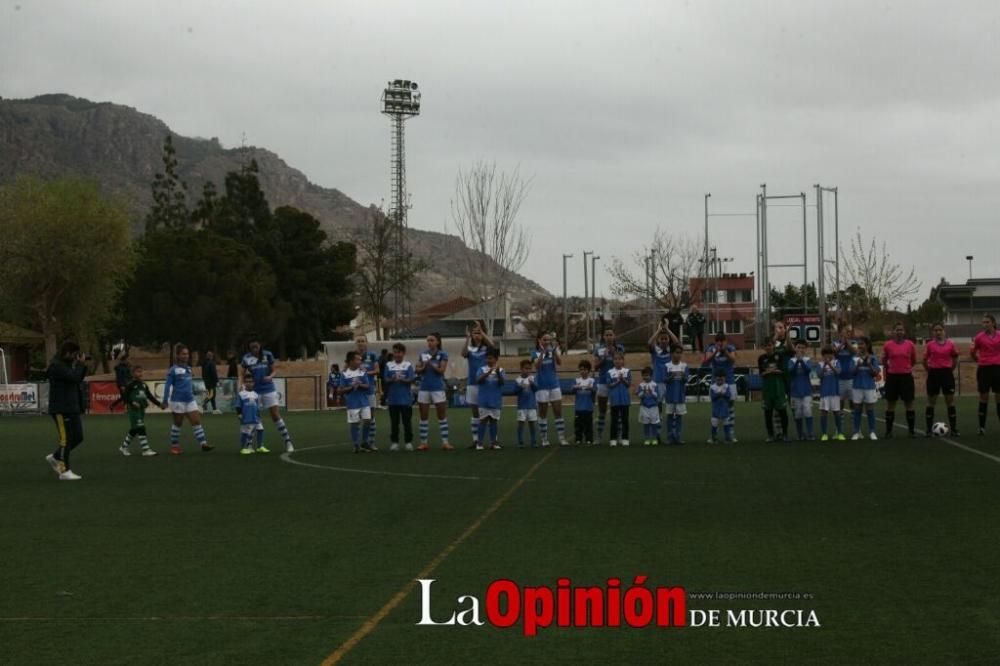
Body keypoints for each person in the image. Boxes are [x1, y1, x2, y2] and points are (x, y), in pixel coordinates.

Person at [44, 341, 90, 480]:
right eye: (74, 354)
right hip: (61, 408)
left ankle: (56, 456)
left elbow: (77, 379)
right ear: (67, 352)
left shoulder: (67, 365)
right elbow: (73, 377)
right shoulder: (57, 366)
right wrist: (80, 365)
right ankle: (64, 471)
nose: (76, 357)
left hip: (71, 407)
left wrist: (82, 366)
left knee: (78, 437)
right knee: (66, 439)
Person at [243, 339, 295, 453]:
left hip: (268, 389)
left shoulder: (267, 354)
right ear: (249, 347)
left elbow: (274, 370)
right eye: (252, 347)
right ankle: (249, 445)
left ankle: (288, 441)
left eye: (256, 347)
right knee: (254, 417)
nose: (254, 349)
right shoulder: (246, 358)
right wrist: (243, 386)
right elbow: (244, 373)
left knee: (275, 415)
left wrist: (270, 376)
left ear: (259, 346)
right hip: (254, 391)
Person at [162, 343, 214, 455]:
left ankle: (204, 444)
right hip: (177, 401)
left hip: (190, 400)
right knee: (178, 424)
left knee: (196, 421)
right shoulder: (173, 370)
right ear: (178, 355)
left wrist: (200, 391)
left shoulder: (189, 369)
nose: (186, 356)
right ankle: (174, 446)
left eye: (187, 354)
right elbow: (167, 386)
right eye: (183, 354)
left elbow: (189, 384)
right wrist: (165, 400)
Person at [462, 322, 496, 449]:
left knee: (490, 413)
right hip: (472, 383)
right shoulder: (470, 349)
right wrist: (466, 338)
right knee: (475, 413)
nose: (477, 335)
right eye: (475, 332)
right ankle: (476, 440)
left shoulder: (486, 348)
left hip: (486, 383)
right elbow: (463, 354)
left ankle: (494, 440)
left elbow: (492, 345)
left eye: (479, 332)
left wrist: (482, 332)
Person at [416, 333, 452, 451]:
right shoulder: (423, 354)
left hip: (437, 388)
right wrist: (423, 367)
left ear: (437, 342)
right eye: (428, 340)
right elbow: (417, 369)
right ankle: (423, 443)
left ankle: (445, 442)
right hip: (424, 388)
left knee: (441, 415)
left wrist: (431, 364)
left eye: (432, 340)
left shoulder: (443, 354)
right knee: (423, 416)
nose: (429, 342)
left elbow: (442, 370)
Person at [882, 322, 917, 438]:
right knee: (890, 404)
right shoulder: (887, 345)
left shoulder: (910, 345)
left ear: (904, 331)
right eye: (897, 330)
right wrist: (891, 370)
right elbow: (884, 360)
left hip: (906, 377)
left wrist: (905, 368)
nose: (899, 332)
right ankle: (888, 432)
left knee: (909, 403)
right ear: (893, 332)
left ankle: (911, 431)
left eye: (901, 330)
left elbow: (913, 360)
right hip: (892, 377)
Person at [923, 322, 959, 437]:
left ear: (944, 331)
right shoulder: (930, 345)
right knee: (931, 402)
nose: (938, 332)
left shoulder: (951, 344)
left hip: (947, 374)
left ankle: (953, 429)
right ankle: (928, 430)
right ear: (933, 332)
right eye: (935, 330)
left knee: (950, 402)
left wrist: (949, 369)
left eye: (940, 330)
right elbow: (925, 360)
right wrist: (930, 370)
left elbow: (954, 358)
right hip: (934, 374)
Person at [119, 364, 163, 457]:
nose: (140, 373)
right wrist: (132, 402)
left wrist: (159, 404)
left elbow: (150, 396)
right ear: (133, 373)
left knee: (135, 429)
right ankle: (146, 449)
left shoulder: (143, 384)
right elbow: (125, 397)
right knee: (141, 427)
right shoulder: (130, 384)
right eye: (138, 371)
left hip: (141, 409)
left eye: (141, 371)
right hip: (133, 409)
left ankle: (124, 447)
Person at [533, 332, 568, 446]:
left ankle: (561, 438)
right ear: (539, 340)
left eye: (549, 340)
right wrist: (543, 352)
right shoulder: (535, 352)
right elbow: (537, 366)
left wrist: (554, 352)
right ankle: (544, 439)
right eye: (545, 340)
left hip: (554, 385)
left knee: (558, 412)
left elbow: (559, 362)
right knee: (543, 413)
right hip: (541, 385)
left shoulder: (553, 351)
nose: (547, 342)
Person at [704, 332, 738, 437]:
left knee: (730, 406)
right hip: (716, 382)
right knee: (716, 406)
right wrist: (716, 352)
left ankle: (730, 433)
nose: (720, 343)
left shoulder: (731, 348)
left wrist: (724, 351)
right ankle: (715, 434)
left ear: (725, 341)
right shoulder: (711, 349)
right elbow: (706, 361)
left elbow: (733, 360)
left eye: (722, 341)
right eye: (718, 341)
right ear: (715, 342)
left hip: (729, 381)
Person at [593, 328, 625, 443]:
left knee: (617, 409)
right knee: (602, 410)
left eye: (611, 334)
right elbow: (595, 367)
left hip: (616, 381)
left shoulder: (620, 348)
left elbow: (623, 364)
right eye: (607, 335)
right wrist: (604, 358)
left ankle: (620, 436)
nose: (609, 337)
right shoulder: (599, 349)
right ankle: (599, 436)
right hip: (603, 382)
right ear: (604, 337)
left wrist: (614, 356)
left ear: (614, 336)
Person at [971, 314, 1000, 436]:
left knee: (999, 398)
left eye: (987, 322)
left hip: (998, 369)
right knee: (984, 397)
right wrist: (980, 361)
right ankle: (982, 427)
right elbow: (973, 352)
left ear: (993, 323)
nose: (985, 324)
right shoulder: (979, 337)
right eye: (983, 322)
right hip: (984, 369)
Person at [340, 351, 373, 453]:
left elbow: (368, 386)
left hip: (364, 402)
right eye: (357, 359)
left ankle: (364, 442)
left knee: (367, 420)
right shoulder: (345, 374)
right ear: (351, 361)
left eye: (360, 359)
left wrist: (360, 385)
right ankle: (356, 444)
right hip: (352, 403)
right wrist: (351, 387)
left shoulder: (362, 372)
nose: (360, 361)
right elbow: (341, 390)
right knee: (355, 423)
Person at [384, 343, 415, 452]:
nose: (396, 354)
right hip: (393, 400)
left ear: (403, 353)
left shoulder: (408, 365)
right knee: (394, 423)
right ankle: (395, 442)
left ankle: (408, 442)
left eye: (399, 352)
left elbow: (411, 379)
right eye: (395, 352)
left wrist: (402, 379)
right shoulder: (388, 365)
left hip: (406, 400)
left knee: (407, 422)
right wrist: (392, 379)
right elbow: (386, 380)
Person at [758, 339, 790, 443]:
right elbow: (761, 373)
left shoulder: (778, 356)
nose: (768, 347)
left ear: (773, 346)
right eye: (766, 345)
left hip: (778, 387)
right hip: (767, 388)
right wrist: (770, 371)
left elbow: (781, 370)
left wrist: (771, 371)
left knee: (782, 412)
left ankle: (785, 434)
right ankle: (770, 435)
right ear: (764, 347)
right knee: (768, 413)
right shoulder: (761, 358)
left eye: (770, 345)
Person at [475, 348, 505, 450]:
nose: (488, 360)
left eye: (490, 358)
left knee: (494, 421)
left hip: (495, 400)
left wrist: (498, 374)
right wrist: (487, 374)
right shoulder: (482, 369)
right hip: (484, 400)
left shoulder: (501, 370)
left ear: (496, 359)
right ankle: (479, 443)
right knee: (482, 421)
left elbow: (502, 383)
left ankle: (494, 442)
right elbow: (478, 380)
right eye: (487, 358)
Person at [851, 337, 881, 440]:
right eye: (859, 344)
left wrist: (869, 364)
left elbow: (876, 373)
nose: (859, 346)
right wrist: (858, 365)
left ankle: (872, 432)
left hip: (869, 387)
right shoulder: (854, 357)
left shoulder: (873, 358)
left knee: (870, 409)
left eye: (862, 344)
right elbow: (852, 373)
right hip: (857, 386)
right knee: (857, 410)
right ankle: (856, 432)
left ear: (867, 345)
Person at [648, 323, 680, 415]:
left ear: (668, 339)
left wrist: (668, 329)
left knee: (672, 401)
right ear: (659, 340)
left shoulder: (671, 350)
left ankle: (673, 417)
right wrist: (658, 330)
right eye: (662, 339)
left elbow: (677, 343)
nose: (664, 341)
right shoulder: (655, 351)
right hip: (658, 380)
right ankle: (659, 417)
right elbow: (650, 343)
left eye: (666, 339)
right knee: (658, 401)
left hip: (669, 380)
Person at [355, 336, 381, 448]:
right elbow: (345, 371)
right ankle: (357, 443)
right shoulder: (352, 356)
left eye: (363, 341)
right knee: (357, 418)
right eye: (358, 341)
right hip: (356, 392)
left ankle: (370, 442)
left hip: (369, 390)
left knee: (370, 417)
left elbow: (377, 370)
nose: (361, 343)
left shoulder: (372, 355)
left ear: (367, 342)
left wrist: (365, 373)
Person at [788, 340, 815, 441]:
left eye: (803, 348)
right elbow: (792, 372)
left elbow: (808, 370)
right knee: (798, 413)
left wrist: (801, 360)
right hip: (795, 391)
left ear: (805, 349)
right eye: (798, 347)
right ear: (795, 348)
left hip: (806, 390)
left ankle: (810, 433)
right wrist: (797, 361)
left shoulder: (808, 360)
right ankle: (800, 434)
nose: (800, 350)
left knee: (808, 411)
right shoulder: (791, 360)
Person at [833, 323, 857, 432]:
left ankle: (856, 430)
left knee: (853, 404)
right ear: (841, 332)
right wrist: (842, 343)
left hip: (851, 379)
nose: (848, 332)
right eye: (846, 330)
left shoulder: (853, 343)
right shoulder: (835, 343)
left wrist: (846, 342)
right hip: (839, 379)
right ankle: (839, 430)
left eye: (849, 331)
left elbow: (854, 352)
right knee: (840, 405)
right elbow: (834, 353)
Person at [662, 345, 689, 445]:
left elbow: (686, 379)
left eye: (680, 353)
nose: (678, 355)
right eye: (676, 352)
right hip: (670, 395)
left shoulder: (684, 366)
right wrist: (671, 377)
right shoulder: (667, 366)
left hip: (680, 395)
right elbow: (664, 380)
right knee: (669, 416)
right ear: (671, 353)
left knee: (679, 417)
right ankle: (669, 437)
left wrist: (683, 376)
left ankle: (677, 436)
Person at [817, 346, 845, 441]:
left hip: (834, 392)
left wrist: (830, 364)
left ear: (833, 354)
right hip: (825, 392)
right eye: (826, 354)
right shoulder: (820, 364)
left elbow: (838, 372)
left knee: (837, 413)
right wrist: (825, 365)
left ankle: (839, 433)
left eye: (830, 353)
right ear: (823, 355)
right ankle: (824, 434)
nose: (828, 355)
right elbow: (819, 376)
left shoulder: (837, 362)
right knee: (823, 413)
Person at [235, 373, 266, 455]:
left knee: (261, 430)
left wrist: (259, 415)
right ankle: (243, 448)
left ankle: (260, 447)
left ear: (253, 383)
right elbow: (238, 405)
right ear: (244, 383)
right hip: (246, 417)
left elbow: (257, 406)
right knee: (245, 433)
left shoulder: (256, 394)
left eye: (251, 381)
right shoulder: (241, 394)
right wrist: (239, 414)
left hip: (256, 417)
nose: (249, 383)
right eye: (247, 382)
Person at [607, 352, 631, 446]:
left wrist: (623, 380)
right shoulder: (610, 372)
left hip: (625, 400)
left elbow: (628, 384)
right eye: (616, 359)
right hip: (614, 400)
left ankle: (625, 438)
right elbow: (609, 385)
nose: (618, 361)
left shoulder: (627, 371)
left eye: (620, 359)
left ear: (623, 361)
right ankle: (613, 439)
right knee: (614, 420)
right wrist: (618, 381)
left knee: (625, 420)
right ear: (613, 361)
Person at [515, 359, 539, 448]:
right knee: (521, 424)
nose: (527, 370)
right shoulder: (518, 380)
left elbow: (536, 389)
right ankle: (520, 442)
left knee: (532, 424)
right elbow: (514, 391)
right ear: (521, 369)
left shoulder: (532, 378)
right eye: (525, 368)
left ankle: (534, 441)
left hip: (531, 406)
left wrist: (532, 384)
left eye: (529, 369)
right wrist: (520, 387)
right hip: (522, 406)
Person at [573, 360, 596, 446]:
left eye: (585, 369)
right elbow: (572, 390)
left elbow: (594, 391)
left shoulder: (592, 380)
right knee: (578, 425)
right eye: (581, 369)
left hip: (588, 407)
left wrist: (591, 389)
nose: (583, 371)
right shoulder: (576, 380)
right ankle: (578, 439)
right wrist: (575, 387)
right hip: (578, 407)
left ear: (589, 370)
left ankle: (589, 439)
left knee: (588, 425)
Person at [637, 367, 661, 446]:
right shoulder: (641, 385)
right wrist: (643, 393)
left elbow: (657, 396)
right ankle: (647, 438)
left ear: (651, 376)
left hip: (653, 407)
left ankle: (654, 439)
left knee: (654, 424)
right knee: (646, 424)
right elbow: (639, 396)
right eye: (644, 375)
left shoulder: (654, 384)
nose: (645, 377)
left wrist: (652, 392)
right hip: (644, 407)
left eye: (647, 375)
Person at [709, 372, 735, 443]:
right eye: (718, 377)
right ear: (715, 378)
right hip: (716, 409)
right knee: (714, 423)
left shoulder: (726, 386)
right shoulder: (712, 387)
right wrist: (719, 394)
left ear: (724, 378)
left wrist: (722, 394)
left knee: (726, 423)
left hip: (724, 408)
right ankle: (713, 438)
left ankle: (727, 438)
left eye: (722, 377)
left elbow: (728, 395)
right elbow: (712, 397)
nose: (720, 379)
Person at [200, 350, 221, 415]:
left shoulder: (204, 363)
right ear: (211, 356)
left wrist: (205, 380)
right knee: (212, 395)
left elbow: (203, 373)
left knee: (212, 395)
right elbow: (213, 373)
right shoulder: (211, 363)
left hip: (207, 382)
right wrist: (217, 381)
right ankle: (202, 404)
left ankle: (214, 409)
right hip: (212, 382)